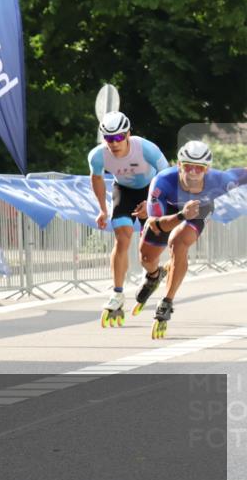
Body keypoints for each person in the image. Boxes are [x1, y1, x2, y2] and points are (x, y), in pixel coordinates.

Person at [139, 141, 247, 338]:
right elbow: (156, 225)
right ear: (179, 165)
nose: (194, 172)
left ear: (208, 169)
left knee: (178, 243)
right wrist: (181, 216)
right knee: (146, 258)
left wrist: (187, 216)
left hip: (198, 208)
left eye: (200, 168)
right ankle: (154, 275)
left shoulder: (221, 180)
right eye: (188, 166)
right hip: (167, 214)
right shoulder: (162, 182)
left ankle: (167, 301)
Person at [87, 111, 168, 326]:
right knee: (122, 238)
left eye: (118, 138)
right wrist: (102, 209)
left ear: (128, 134)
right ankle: (117, 293)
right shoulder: (97, 155)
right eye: (108, 138)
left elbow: (166, 178)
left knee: (147, 255)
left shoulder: (146, 148)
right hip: (123, 190)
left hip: (151, 191)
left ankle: (154, 274)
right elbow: (96, 179)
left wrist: (152, 205)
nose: (114, 143)